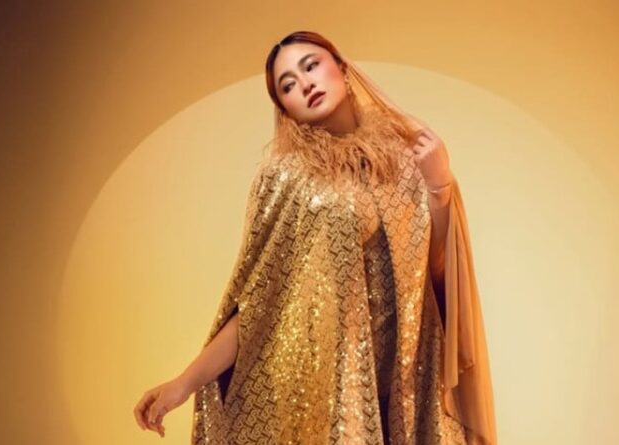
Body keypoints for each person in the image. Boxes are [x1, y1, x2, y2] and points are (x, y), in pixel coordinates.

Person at [133, 30, 498, 445]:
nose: (305, 84)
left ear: (341, 68)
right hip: (333, 390)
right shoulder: (285, 179)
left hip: (413, 380)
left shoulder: (406, 155)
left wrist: (439, 184)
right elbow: (258, 305)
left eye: (311, 66)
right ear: (283, 107)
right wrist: (183, 383)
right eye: (288, 85)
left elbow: (440, 270)